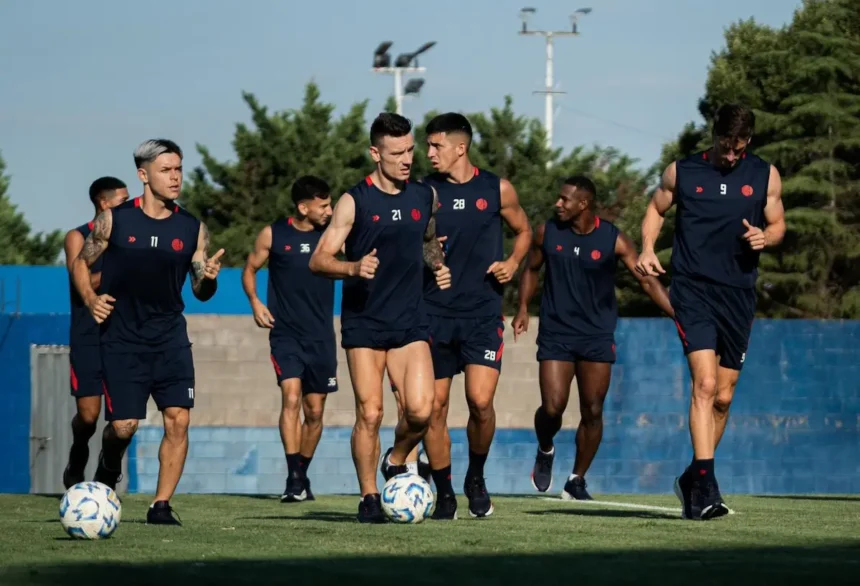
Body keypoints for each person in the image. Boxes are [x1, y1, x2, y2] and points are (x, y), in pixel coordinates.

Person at [636, 104, 785, 520]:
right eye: (725, 146)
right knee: (703, 385)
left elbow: (778, 224)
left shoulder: (765, 175)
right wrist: (648, 248)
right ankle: (707, 484)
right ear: (714, 135)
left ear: (748, 142)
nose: (732, 155)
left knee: (723, 396)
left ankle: (692, 478)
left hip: (738, 294)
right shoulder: (681, 172)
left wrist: (765, 237)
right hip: (693, 290)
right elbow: (655, 210)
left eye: (740, 148)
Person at [72, 139, 224, 525]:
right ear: (143, 175)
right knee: (123, 426)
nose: (175, 178)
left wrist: (208, 279)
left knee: (179, 419)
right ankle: (109, 462)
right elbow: (79, 263)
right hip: (122, 338)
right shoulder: (115, 220)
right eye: (166, 170)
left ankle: (160, 505)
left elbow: (201, 292)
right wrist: (91, 299)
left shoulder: (192, 227)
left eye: (178, 169)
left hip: (171, 337)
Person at [309, 112, 451, 523]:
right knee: (370, 413)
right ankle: (369, 496)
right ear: (376, 153)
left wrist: (437, 264)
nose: (407, 159)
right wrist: (353, 269)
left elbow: (427, 238)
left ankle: (398, 457)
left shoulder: (424, 195)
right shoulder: (356, 201)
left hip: (410, 319)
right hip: (365, 323)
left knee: (422, 411)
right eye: (397, 152)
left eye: (410, 150)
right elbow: (319, 259)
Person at [388, 112, 531, 520]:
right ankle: (446, 491)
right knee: (434, 408)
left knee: (480, 402)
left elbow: (524, 231)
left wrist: (513, 262)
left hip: (483, 313)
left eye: (436, 145)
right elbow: (403, 244)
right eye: (427, 146)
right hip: (432, 313)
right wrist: (426, 255)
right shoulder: (421, 193)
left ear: (460, 147)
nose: (428, 153)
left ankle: (477, 477)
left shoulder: (496, 188)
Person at [513, 175, 674, 500]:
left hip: (597, 335)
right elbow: (531, 269)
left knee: (593, 410)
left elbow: (645, 280)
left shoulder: (612, 239)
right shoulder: (548, 232)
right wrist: (522, 307)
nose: (558, 204)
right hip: (556, 332)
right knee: (553, 407)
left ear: (583, 204)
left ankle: (576, 479)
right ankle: (545, 448)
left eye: (565, 199)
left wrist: (676, 312)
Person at [242, 175, 337, 503]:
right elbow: (250, 268)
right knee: (292, 398)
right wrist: (255, 301)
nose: (329, 210)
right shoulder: (273, 234)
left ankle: (301, 472)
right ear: (303, 207)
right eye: (323, 205)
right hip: (285, 335)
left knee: (314, 411)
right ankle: (294, 475)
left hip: (322, 337)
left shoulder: (332, 235)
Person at [62, 176, 129, 489]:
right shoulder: (78, 237)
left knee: (123, 420)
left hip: (125, 336)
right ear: (104, 203)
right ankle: (78, 453)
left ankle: (108, 467)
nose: (130, 206)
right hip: (88, 335)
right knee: (89, 417)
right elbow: (81, 278)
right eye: (123, 200)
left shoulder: (132, 236)